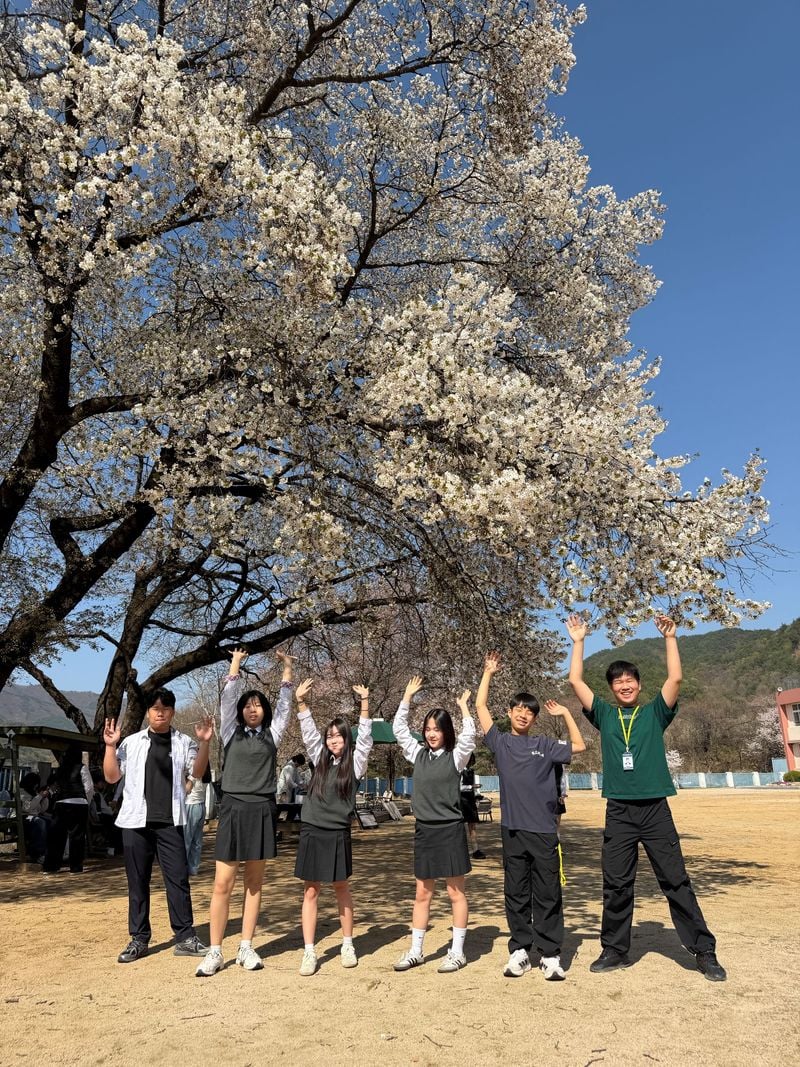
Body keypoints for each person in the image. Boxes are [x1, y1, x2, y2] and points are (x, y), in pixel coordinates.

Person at [566, 613, 726, 982]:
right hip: (619, 810)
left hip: (655, 809)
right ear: (611, 688)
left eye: (630, 680)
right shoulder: (604, 714)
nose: (624, 685)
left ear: (639, 684)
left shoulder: (655, 712)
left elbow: (675, 678)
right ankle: (615, 950)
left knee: (675, 881)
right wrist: (579, 642)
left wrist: (670, 637)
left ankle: (704, 951)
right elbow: (575, 679)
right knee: (616, 883)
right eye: (618, 681)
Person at [476, 651, 585, 981]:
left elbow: (579, 746)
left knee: (549, 893)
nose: (524, 715)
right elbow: (481, 707)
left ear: (535, 718)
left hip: (543, 831)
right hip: (512, 831)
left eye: (530, 712)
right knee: (516, 892)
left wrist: (566, 713)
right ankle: (520, 950)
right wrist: (488, 673)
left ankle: (550, 954)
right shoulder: (500, 743)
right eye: (518, 709)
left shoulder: (545, 744)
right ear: (509, 713)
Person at [195, 647, 295, 978]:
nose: (253, 709)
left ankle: (246, 946)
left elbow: (285, 707)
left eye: (258, 706)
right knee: (223, 882)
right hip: (234, 808)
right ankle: (215, 951)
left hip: (262, 808)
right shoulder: (229, 732)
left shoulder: (273, 734)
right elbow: (227, 697)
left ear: (264, 712)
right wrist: (235, 664)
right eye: (248, 706)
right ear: (241, 712)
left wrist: (287, 671)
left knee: (254, 883)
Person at [103, 689, 213, 963]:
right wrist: (109, 746)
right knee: (137, 882)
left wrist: (205, 744)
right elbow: (112, 776)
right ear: (148, 712)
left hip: (170, 821)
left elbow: (197, 773)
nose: (160, 712)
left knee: (178, 879)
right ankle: (139, 938)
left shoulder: (183, 742)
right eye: (154, 708)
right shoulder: (130, 742)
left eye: (165, 707)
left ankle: (185, 937)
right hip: (135, 822)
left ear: (173, 711)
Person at [392, 677, 476, 974]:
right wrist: (406, 697)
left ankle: (457, 952)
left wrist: (464, 707)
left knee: (455, 893)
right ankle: (416, 951)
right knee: (422, 893)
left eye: (436, 729)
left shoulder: (456, 758)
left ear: (446, 732)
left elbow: (469, 736)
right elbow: (399, 731)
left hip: (450, 830)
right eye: (427, 729)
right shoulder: (417, 754)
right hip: (424, 830)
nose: (430, 734)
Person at [293, 680, 374, 975]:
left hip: (338, 831)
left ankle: (348, 943)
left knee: (341, 887)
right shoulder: (320, 759)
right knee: (310, 890)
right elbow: (309, 732)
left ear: (346, 739)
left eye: (339, 736)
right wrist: (301, 703)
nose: (333, 740)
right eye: (330, 736)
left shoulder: (356, 763)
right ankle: (309, 951)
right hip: (313, 829)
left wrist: (365, 703)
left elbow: (365, 738)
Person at [42, 744, 93, 874]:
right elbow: (89, 787)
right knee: (77, 836)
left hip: (61, 804)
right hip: (79, 804)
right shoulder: (82, 768)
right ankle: (75, 867)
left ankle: (51, 866)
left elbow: (55, 788)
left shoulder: (59, 770)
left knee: (57, 836)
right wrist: (86, 801)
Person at [184, 765, 211, 877]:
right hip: (200, 805)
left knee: (186, 839)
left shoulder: (193, 774)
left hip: (190, 805)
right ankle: (193, 867)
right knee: (196, 840)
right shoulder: (205, 774)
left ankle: (183, 867)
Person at [20, 771, 50, 863]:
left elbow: (41, 810)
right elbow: (27, 808)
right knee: (40, 822)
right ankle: (39, 854)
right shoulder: (22, 792)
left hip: (34, 816)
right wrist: (40, 796)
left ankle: (51, 852)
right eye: (36, 784)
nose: (36, 786)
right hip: (23, 817)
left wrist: (44, 798)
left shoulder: (33, 793)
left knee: (52, 822)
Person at [460, 754, 485, 859]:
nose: (471, 762)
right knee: (459, 827)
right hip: (461, 801)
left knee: (472, 826)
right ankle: (460, 850)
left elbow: (472, 786)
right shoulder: (459, 770)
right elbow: (458, 787)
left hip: (470, 801)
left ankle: (475, 850)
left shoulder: (471, 771)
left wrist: (476, 796)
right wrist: (471, 786)